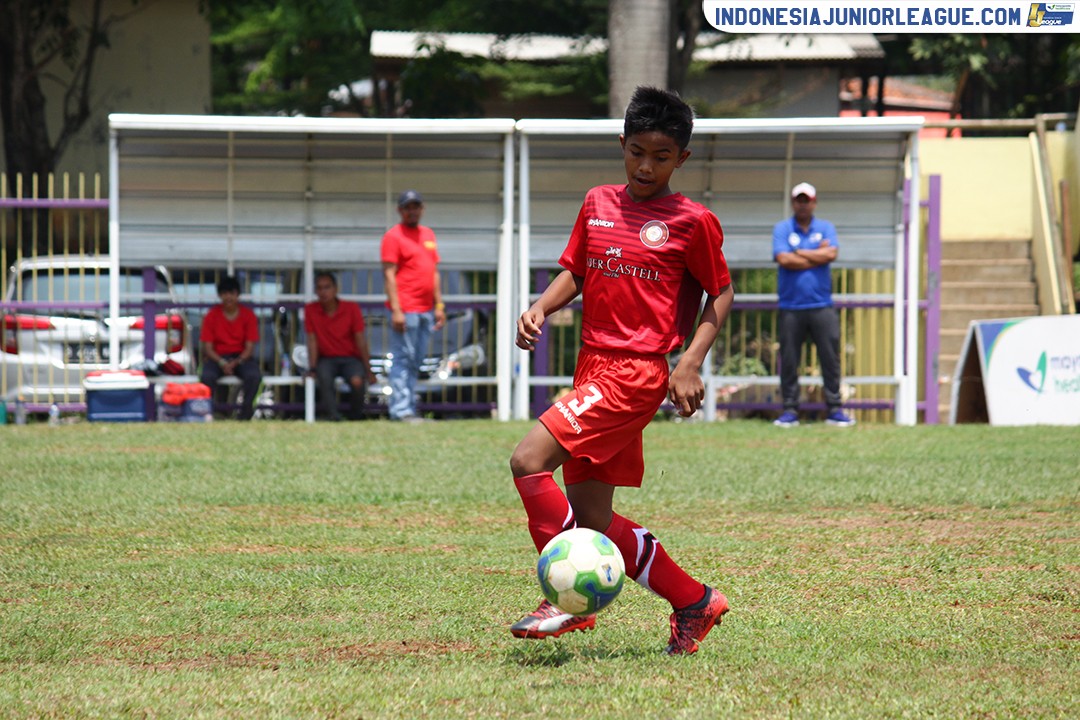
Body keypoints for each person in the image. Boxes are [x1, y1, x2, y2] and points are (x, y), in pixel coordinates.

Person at [509, 86, 735, 656]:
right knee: (592, 515)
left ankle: (567, 602)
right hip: (593, 365)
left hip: (635, 373)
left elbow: (721, 294)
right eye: (637, 152)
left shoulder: (693, 221)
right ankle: (695, 601)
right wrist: (541, 306)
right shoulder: (597, 203)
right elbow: (577, 271)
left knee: (528, 461)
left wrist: (689, 362)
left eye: (661, 157)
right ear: (622, 145)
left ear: (682, 158)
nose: (646, 166)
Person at [771, 182, 855, 428]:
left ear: (814, 203)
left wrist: (798, 251)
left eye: (806, 200)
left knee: (830, 359)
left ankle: (834, 409)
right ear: (792, 203)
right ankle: (789, 411)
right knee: (789, 360)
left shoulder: (825, 227)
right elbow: (783, 258)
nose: (803, 205)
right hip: (790, 307)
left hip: (822, 306)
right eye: (799, 200)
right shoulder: (782, 228)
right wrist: (816, 255)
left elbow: (831, 254)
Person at [380, 189, 446, 421]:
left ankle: (407, 406)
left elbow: (433, 272)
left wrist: (439, 305)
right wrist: (396, 309)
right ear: (400, 210)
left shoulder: (428, 234)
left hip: (426, 309)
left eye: (415, 206)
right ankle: (401, 410)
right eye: (407, 207)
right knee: (403, 359)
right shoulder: (393, 236)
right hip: (406, 309)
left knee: (416, 360)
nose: (412, 211)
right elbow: (389, 275)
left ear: (422, 209)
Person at [304, 271, 378, 421]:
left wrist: (368, 369)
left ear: (335, 289)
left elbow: (360, 340)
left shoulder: (351, 308)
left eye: (327, 287)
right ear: (316, 291)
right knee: (324, 377)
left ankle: (356, 416)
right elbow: (312, 340)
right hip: (326, 358)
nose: (323, 292)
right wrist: (312, 367)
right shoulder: (311, 310)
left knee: (357, 381)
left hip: (351, 358)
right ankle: (333, 416)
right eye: (320, 288)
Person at [199, 275, 262, 420]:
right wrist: (222, 362)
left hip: (241, 358)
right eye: (224, 293)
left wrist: (236, 362)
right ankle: (209, 413)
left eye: (231, 293)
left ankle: (245, 414)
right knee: (206, 376)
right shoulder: (211, 316)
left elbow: (249, 347)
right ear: (220, 295)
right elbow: (208, 348)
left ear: (238, 294)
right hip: (217, 358)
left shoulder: (248, 315)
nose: (228, 297)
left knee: (254, 376)